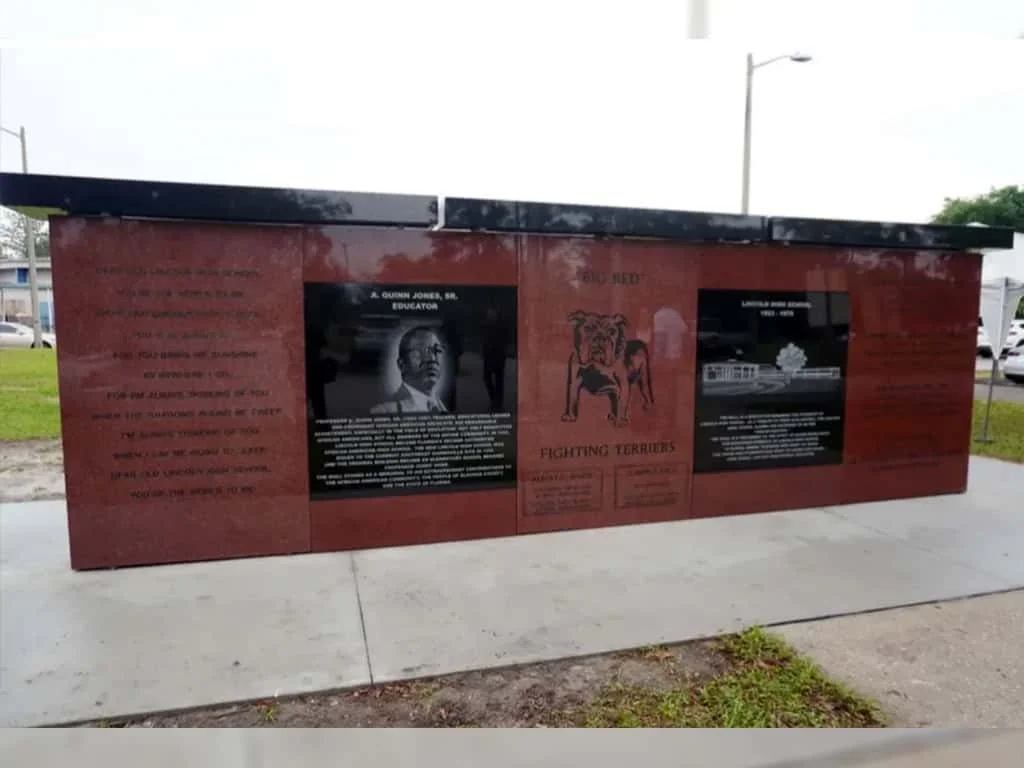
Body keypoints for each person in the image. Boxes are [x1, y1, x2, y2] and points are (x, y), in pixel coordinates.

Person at [370, 326, 449, 414]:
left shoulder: (441, 407)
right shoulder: (384, 411)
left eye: (437, 350)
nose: (432, 358)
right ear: (402, 365)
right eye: (420, 351)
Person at [481, 307, 509, 411]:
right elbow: (485, 340)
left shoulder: (500, 327)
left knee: (499, 381)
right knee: (486, 378)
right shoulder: (486, 326)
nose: (490, 316)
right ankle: (494, 400)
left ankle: (498, 404)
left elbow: (504, 340)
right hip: (489, 356)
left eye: (492, 314)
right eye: (489, 314)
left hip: (498, 356)